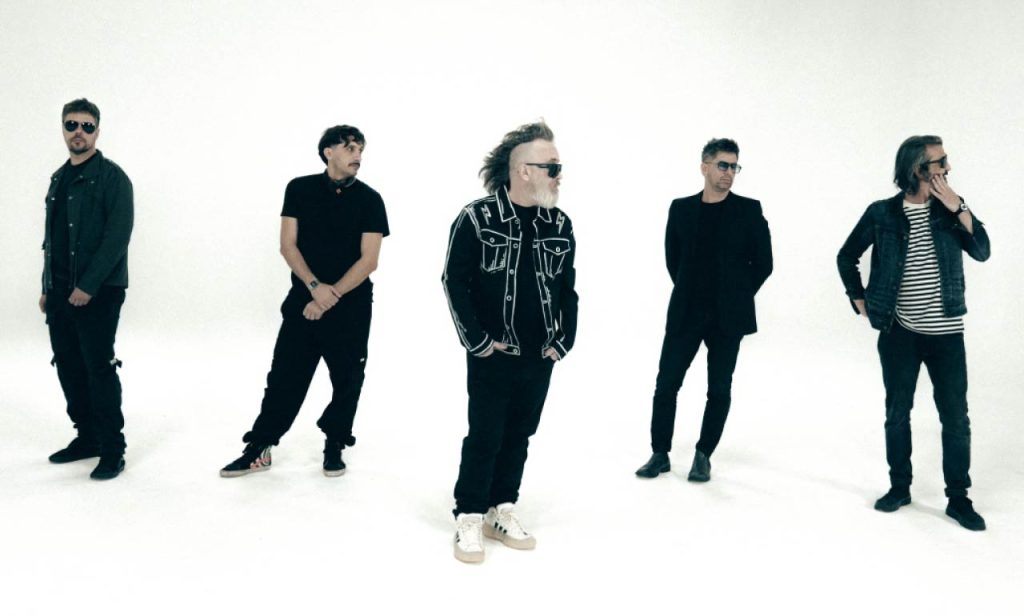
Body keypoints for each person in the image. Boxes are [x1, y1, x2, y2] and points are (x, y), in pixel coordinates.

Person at [837, 135, 990, 531]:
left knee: (956, 418)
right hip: (899, 332)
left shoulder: (949, 210)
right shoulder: (882, 213)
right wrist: (859, 298)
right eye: (940, 162)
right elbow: (846, 255)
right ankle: (899, 487)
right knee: (897, 413)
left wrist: (958, 206)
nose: (947, 168)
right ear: (918, 170)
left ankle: (958, 498)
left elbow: (982, 250)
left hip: (947, 333)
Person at [441, 121, 577, 563]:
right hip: (494, 353)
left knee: (520, 433)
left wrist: (563, 340)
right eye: (552, 167)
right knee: (485, 434)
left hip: (541, 354)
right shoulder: (476, 218)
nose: (559, 174)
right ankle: (469, 513)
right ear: (523, 170)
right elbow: (454, 282)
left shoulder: (559, 223)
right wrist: (479, 342)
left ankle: (501, 508)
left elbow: (567, 289)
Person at [220, 125, 389, 478]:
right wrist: (314, 287)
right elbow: (287, 245)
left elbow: (369, 260)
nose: (358, 155)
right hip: (303, 301)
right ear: (328, 151)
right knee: (284, 376)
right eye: (350, 148)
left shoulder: (371, 200)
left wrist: (330, 295)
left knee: (348, 380)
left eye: (361, 149)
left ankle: (335, 443)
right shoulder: (299, 189)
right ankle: (259, 447)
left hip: (351, 306)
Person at [635, 138, 772, 483]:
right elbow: (673, 259)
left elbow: (764, 263)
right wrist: (691, 290)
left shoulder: (749, 210)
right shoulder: (681, 208)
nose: (729, 173)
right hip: (686, 312)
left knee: (719, 389)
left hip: (728, 318)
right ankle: (659, 454)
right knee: (666, 384)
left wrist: (736, 295)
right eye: (723, 165)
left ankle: (703, 455)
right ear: (705, 167)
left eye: (734, 167)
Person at [42, 98, 134, 480]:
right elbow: (52, 240)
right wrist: (47, 286)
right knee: (68, 364)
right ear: (63, 129)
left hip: (99, 291)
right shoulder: (58, 178)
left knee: (99, 368)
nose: (78, 132)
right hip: (60, 292)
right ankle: (87, 437)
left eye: (86, 126)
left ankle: (113, 449)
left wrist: (88, 285)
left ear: (97, 130)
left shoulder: (113, 178)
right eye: (71, 125)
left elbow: (117, 237)